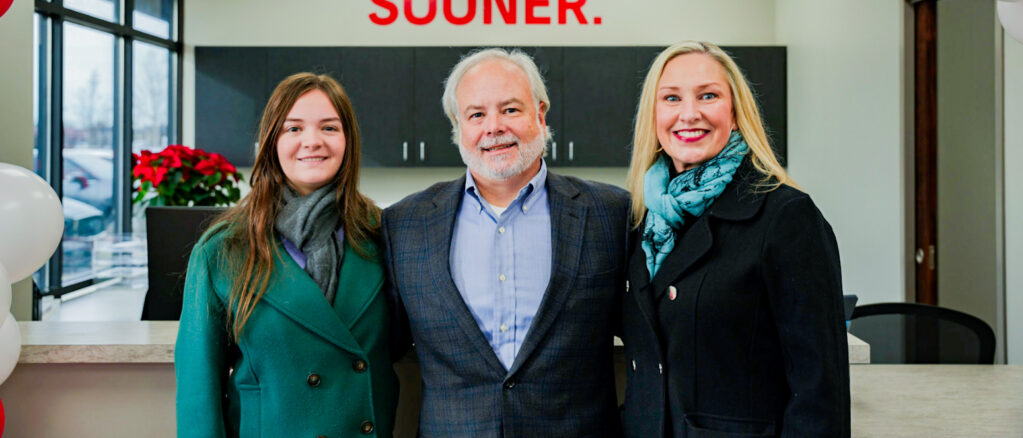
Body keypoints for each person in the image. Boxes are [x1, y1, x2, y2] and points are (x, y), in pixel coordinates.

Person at [382, 48, 630, 438]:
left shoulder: (610, 213)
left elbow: (648, 341)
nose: (494, 127)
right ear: (458, 126)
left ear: (541, 115)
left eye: (510, 109)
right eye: (476, 114)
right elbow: (384, 344)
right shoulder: (404, 223)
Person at [621, 41, 850, 438]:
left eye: (708, 96)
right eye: (671, 98)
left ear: (736, 113)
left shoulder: (785, 216)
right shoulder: (641, 220)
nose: (689, 114)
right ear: (654, 116)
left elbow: (820, 389)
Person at [175, 73, 398, 438]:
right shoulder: (222, 248)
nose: (312, 141)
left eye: (329, 127)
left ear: (348, 141)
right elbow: (199, 391)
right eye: (293, 129)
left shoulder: (385, 234)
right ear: (270, 143)